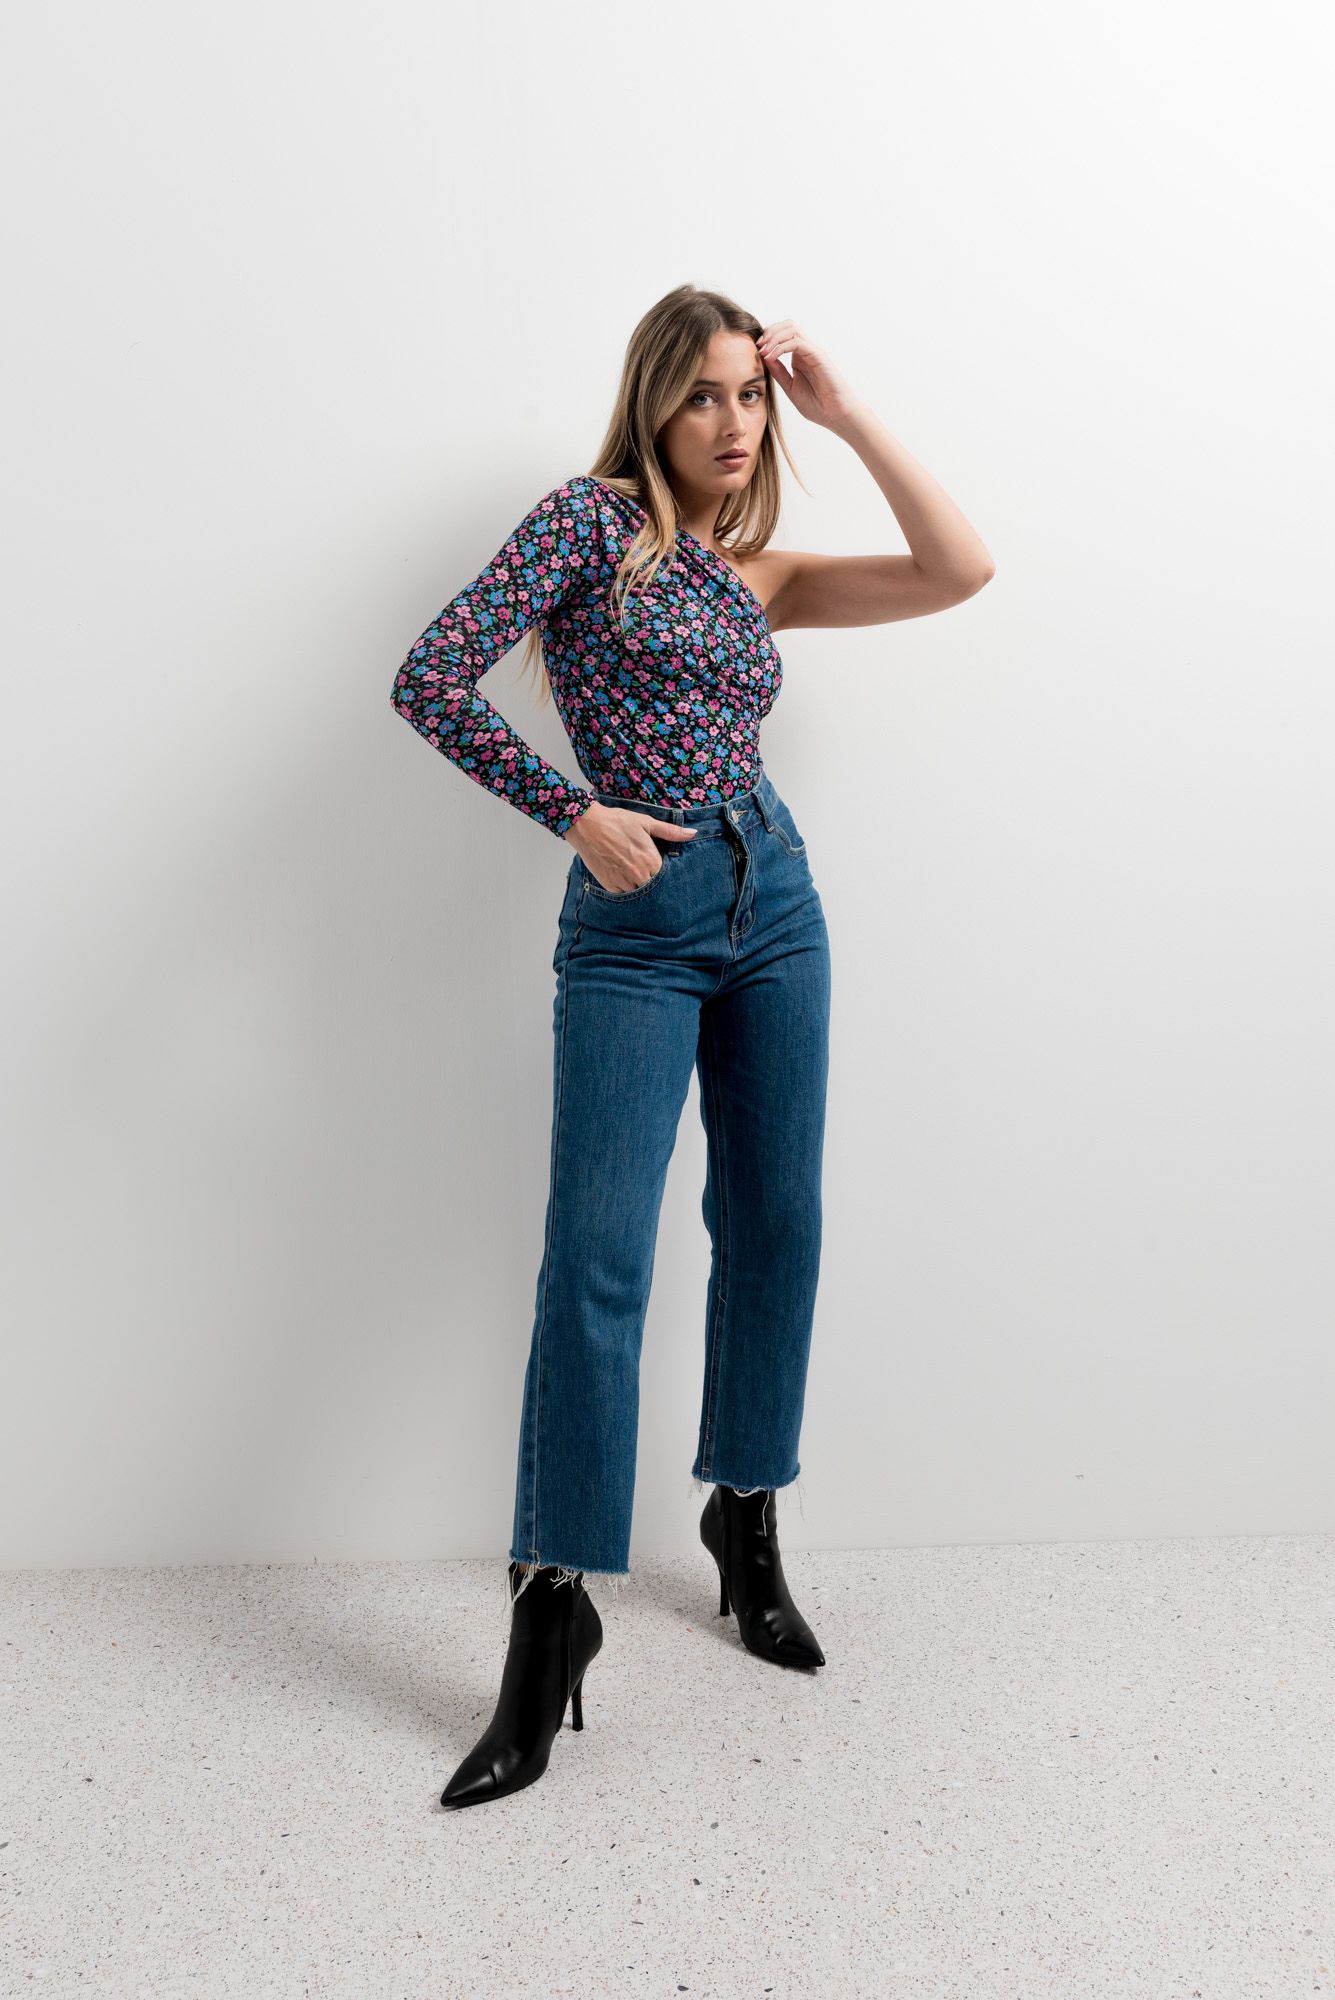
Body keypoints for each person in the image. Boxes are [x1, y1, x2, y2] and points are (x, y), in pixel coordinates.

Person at [390, 285, 996, 1809]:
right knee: (596, 1262)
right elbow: (429, 675)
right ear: (653, 403)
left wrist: (845, 415)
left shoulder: (753, 573)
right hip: (636, 921)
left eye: (752, 397)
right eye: (706, 395)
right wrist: (570, 811)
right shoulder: (585, 526)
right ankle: (550, 1614)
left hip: (772, 896)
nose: (734, 423)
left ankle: (747, 1513)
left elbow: (961, 568)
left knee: (777, 1223)